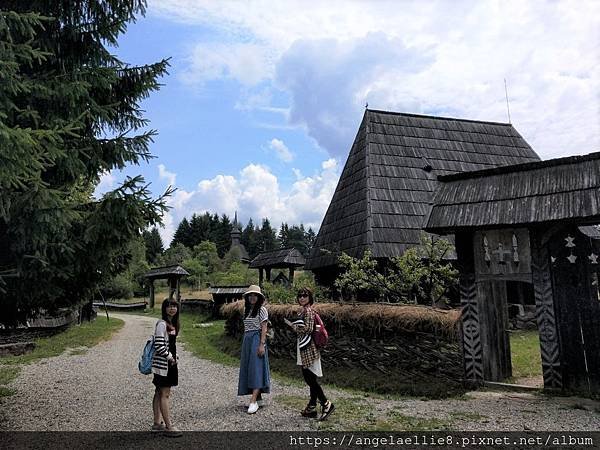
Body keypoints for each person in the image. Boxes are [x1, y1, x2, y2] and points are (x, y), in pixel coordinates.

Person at [285, 287, 334, 421]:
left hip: (308, 348)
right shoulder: (304, 310)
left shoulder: (308, 311)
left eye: (305, 296)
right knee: (310, 376)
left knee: (309, 378)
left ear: (309, 298)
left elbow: (308, 329)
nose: (302, 298)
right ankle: (312, 406)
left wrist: (294, 327)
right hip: (305, 346)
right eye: (300, 296)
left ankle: (326, 403)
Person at [237, 284, 271, 414]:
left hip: (257, 339)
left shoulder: (262, 310)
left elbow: (264, 328)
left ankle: (253, 401)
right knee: (249, 368)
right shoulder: (246, 310)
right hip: (247, 339)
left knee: (256, 368)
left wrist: (262, 344)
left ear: (259, 297)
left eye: (255, 295)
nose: (252, 297)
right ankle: (259, 398)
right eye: (250, 295)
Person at [151, 298, 182, 437]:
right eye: (169, 306)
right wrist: (170, 357)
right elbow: (159, 345)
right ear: (164, 308)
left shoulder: (172, 324)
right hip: (164, 364)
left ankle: (157, 423)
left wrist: (174, 356)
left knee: (159, 392)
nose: (172, 309)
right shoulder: (162, 324)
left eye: (174, 306)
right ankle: (169, 427)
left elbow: (170, 345)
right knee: (165, 394)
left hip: (167, 363)